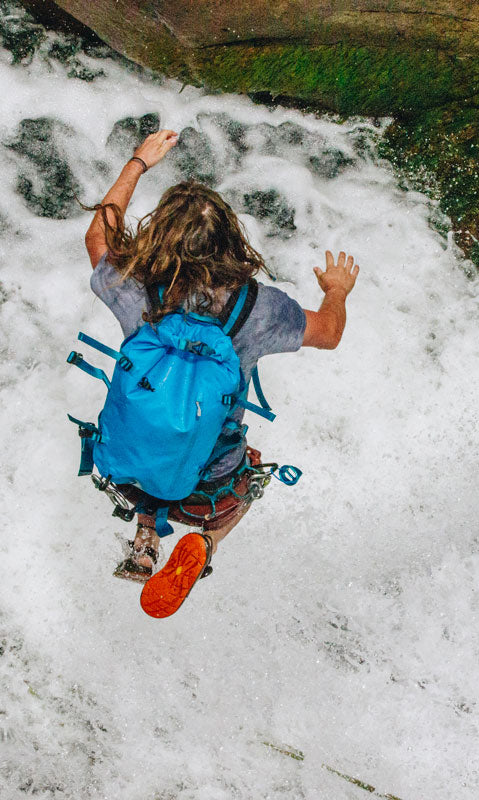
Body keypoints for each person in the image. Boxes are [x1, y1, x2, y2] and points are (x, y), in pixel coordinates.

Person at [84, 128, 359, 617]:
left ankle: (145, 537)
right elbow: (330, 333)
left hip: (123, 464)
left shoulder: (130, 284)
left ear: (159, 235)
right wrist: (336, 290)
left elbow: (98, 234)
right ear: (231, 240)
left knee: (155, 446)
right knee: (248, 473)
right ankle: (206, 545)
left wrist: (138, 163)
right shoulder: (262, 310)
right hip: (207, 487)